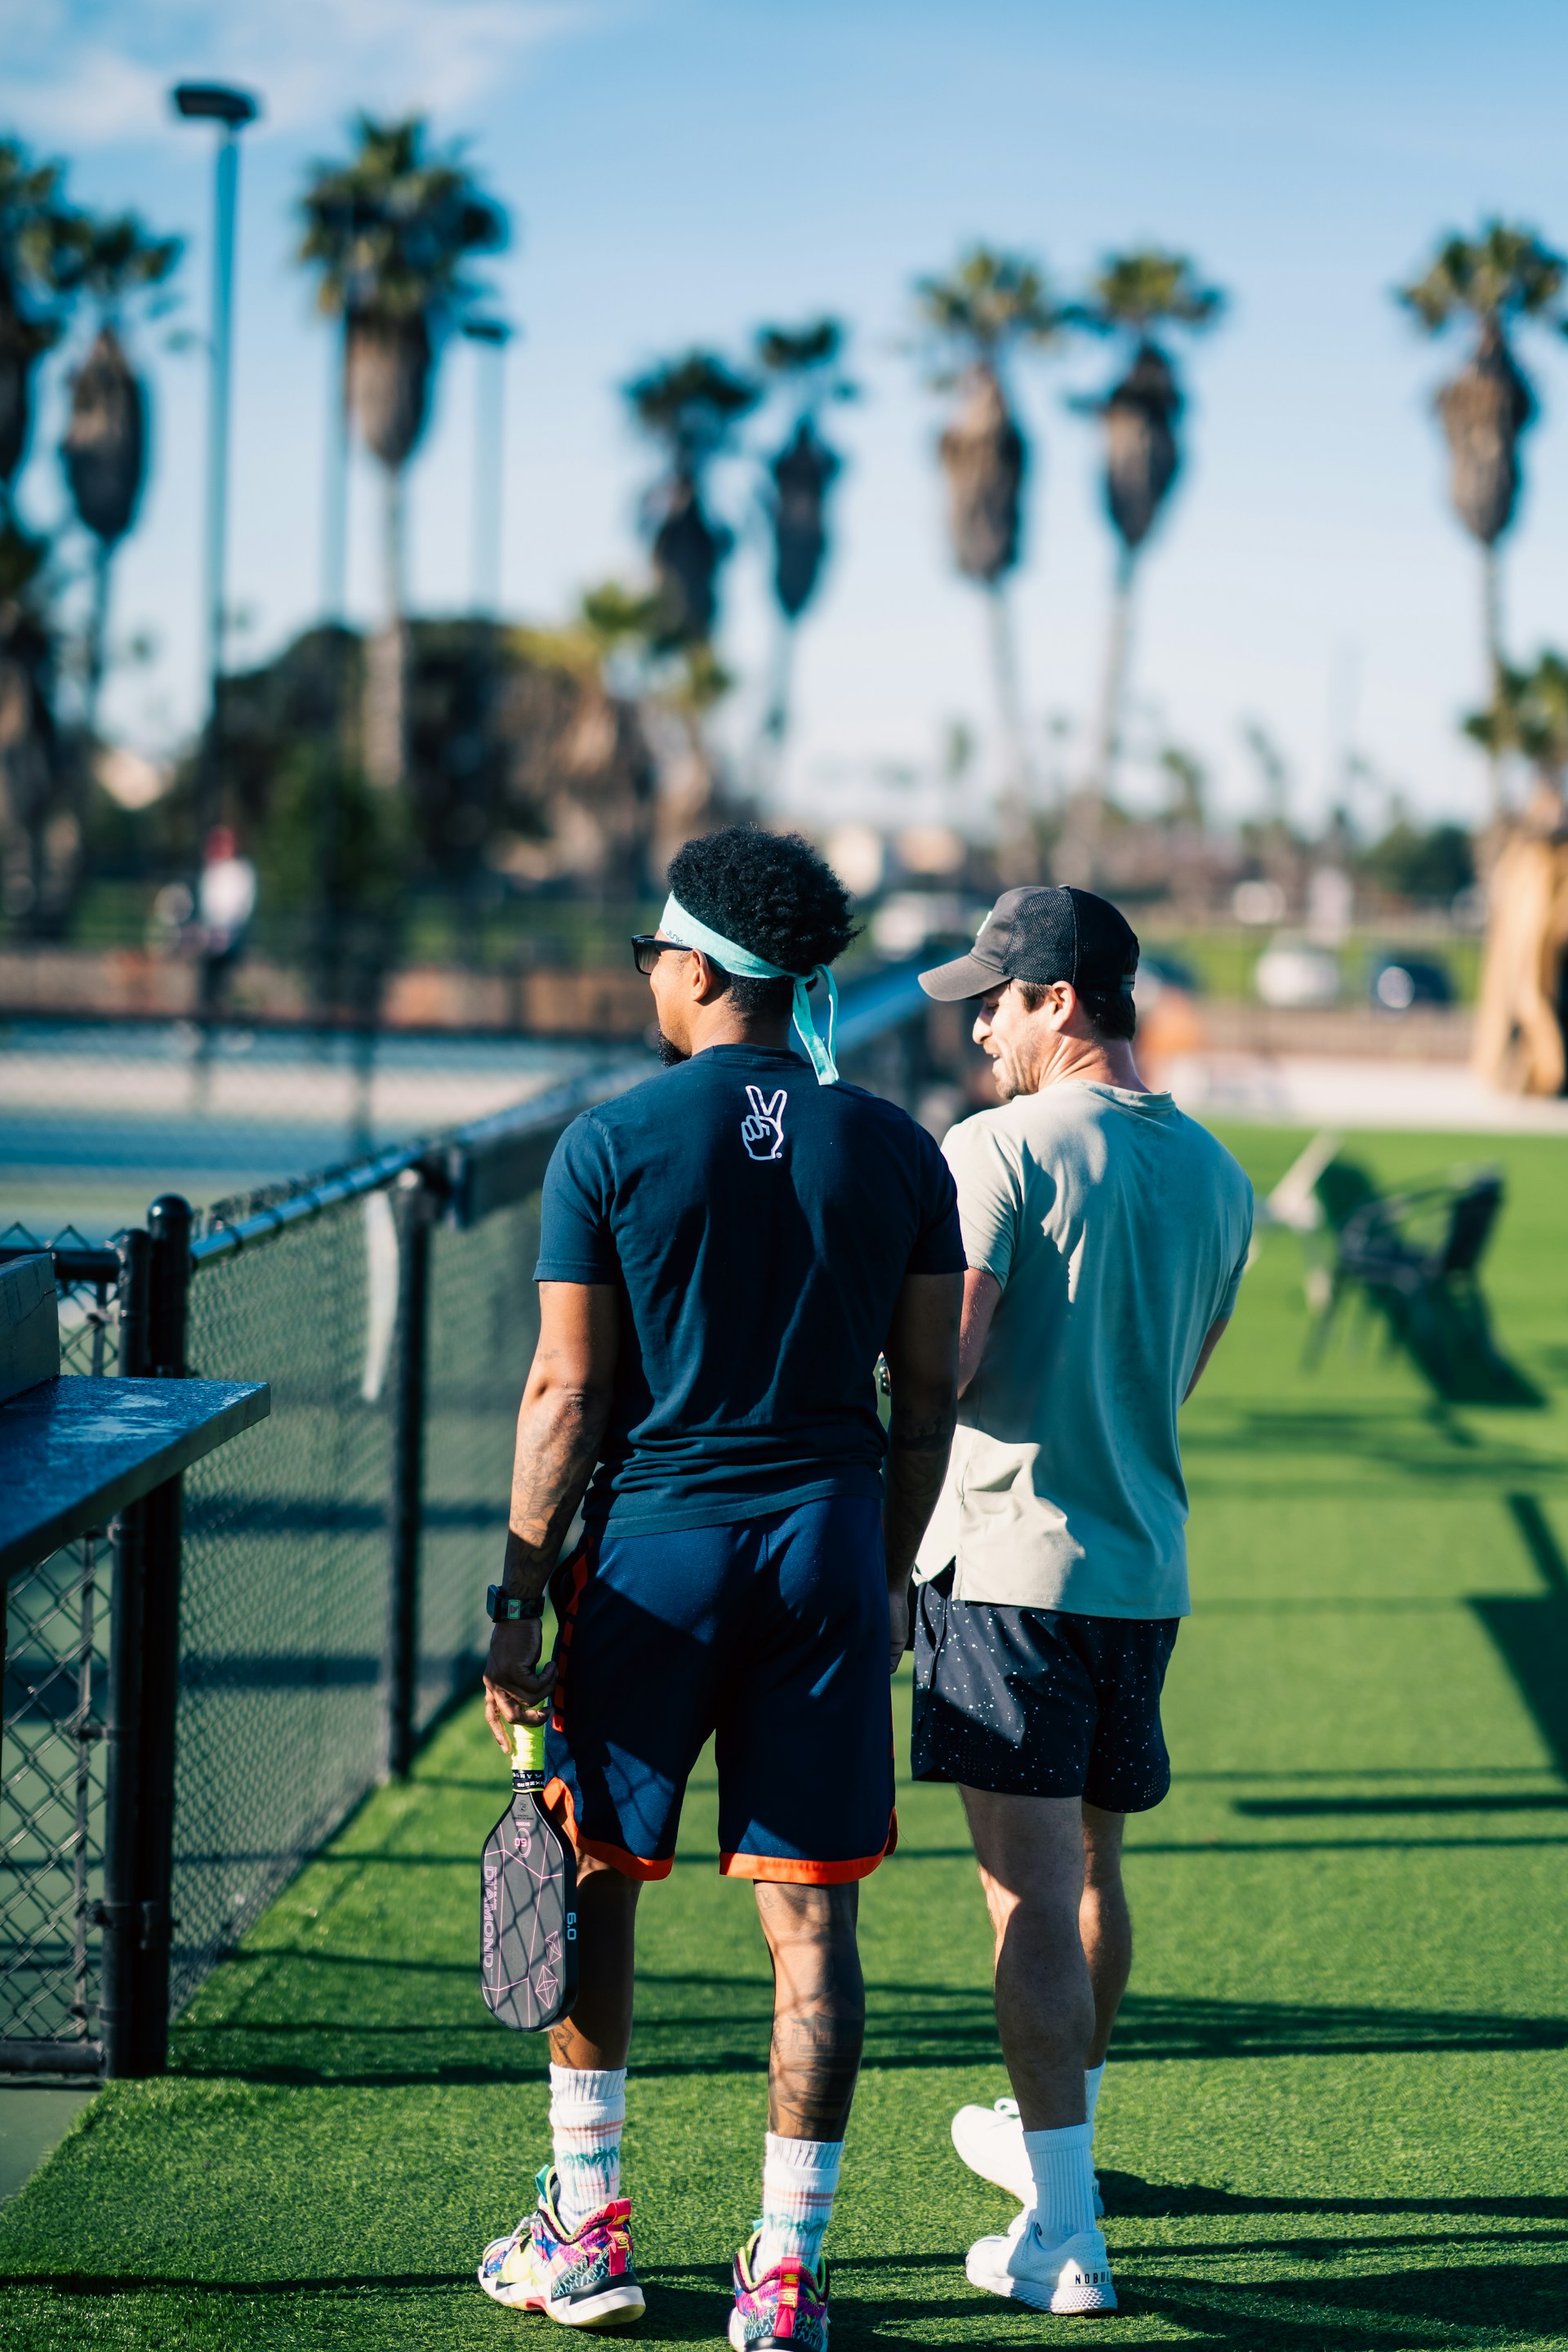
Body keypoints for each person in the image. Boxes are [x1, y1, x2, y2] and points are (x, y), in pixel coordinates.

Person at [477, 826, 964, 2343]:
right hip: (824, 1553)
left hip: (650, 1564)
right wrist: (885, 1576)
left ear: (695, 968)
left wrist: (512, 1598)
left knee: (596, 1879)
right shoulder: (894, 1145)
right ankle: (787, 2270)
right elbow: (930, 1395)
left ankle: (589, 2234)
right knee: (813, 1928)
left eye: (652, 960)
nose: (650, 983)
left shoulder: (610, 1144)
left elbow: (565, 1394)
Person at [911, 885, 1254, 2318]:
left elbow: (953, 1368)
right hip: (1141, 1572)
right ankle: (1066, 2156)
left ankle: (1063, 2234)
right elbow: (1179, 1375)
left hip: (1005, 1573)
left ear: (1063, 1002)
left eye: (996, 996)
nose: (978, 1025)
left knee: (1026, 1903)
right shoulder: (1223, 1176)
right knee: (1096, 1877)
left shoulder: (990, 1147)